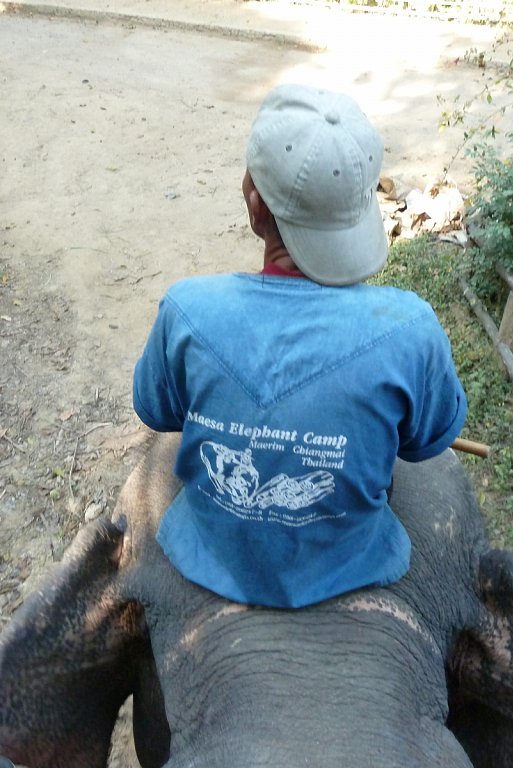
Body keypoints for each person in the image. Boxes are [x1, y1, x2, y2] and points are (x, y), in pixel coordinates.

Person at [131, 83, 467, 609]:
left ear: (254, 203)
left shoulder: (187, 310)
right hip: (351, 566)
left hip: (204, 555)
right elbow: (426, 442)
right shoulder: (412, 330)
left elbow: (157, 412)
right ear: (359, 212)